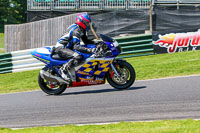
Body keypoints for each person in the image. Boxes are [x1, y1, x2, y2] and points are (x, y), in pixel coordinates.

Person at [54, 13, 97, 81]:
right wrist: (89, 50)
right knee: (78, 56)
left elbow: (86, 41)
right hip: (61, 48)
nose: (88, 25)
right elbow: (76, 46)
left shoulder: (81, 29)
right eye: (86, 23)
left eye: (88, 23)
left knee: (83, 55)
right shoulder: (76, 30)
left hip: (67, 48)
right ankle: (63, 70)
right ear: (81, 22)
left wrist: (97, 43)